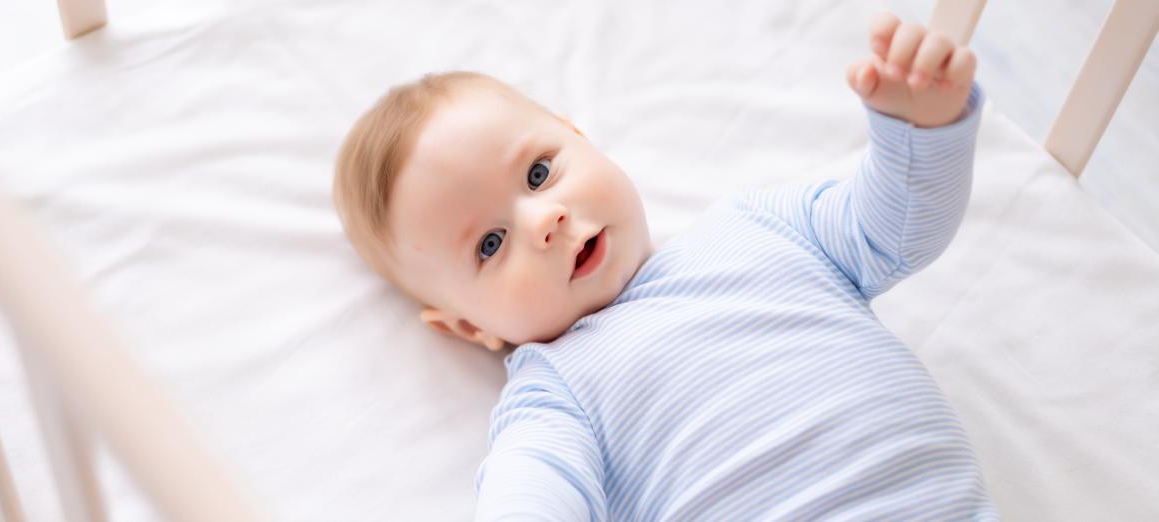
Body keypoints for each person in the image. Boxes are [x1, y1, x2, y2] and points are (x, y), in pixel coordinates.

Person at [334, 11, 996, 521]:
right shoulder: (554, 394)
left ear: (579, 137)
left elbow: (895, 232)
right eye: (489, 244)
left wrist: (920, 134)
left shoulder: (761, 227)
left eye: (538, 174)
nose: (544, 221)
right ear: (468, 327)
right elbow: (530, 490)